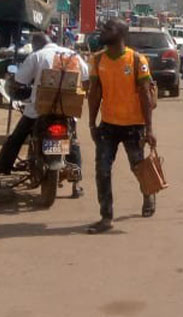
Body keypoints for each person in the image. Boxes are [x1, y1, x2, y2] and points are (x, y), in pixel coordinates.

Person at [86, 19, 158, 234]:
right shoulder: (97, 59)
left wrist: (149, 129)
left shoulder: (136, 60)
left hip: (133, 126)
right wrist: (91, 123)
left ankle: (148, 194)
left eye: (109, 28)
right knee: (102, 170)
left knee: (138, 167)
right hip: (108, 125)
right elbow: (94, 93)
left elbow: (145, 95)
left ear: (121, 34)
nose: (103, 31)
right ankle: (106, 217)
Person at [0, 33, 88, 198]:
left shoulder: (37, 55)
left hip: (38, 110)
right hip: (67, 111)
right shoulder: (73, 54)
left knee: (17, 138)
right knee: (73, 142)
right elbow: (86, 77)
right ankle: (77, 184)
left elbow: (19, 80)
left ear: (35, 45)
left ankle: (4, 168)